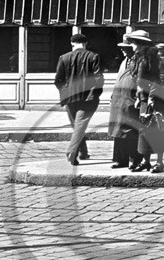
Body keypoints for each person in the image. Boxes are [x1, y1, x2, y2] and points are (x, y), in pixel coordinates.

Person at [55, 32, 104, 165]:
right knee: (80, 126)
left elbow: (58, 80)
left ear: (72, 44)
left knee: (77, 126)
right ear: (86, 43)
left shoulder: (63, 58)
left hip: (70, 98)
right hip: (88, 99)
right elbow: (98, 79)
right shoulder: (93, 56)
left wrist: (65, 93)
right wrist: (93, 95)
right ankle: (72, 153)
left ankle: (83, 152)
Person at [127, 30, 164, 173]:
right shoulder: (139, 58)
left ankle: (159, 162)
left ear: (140, 44)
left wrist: (151, 97)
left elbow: (159, 80)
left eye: (133, 42)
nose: (131, 45)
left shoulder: (155, 58)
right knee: (144, 131)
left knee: (157, 129)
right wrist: (140, 98)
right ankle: (146, 161)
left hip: (155, 99)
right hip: (145, 99)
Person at [107, 41, 139, 169]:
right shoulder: (124, 61)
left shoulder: (136, 62)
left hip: (130, 100)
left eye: (125, 48)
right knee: (118, 131)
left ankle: (135, 159)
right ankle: (121, 160)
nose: (122, 50)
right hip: (118, 100)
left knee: (131, 131)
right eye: (121, 48)